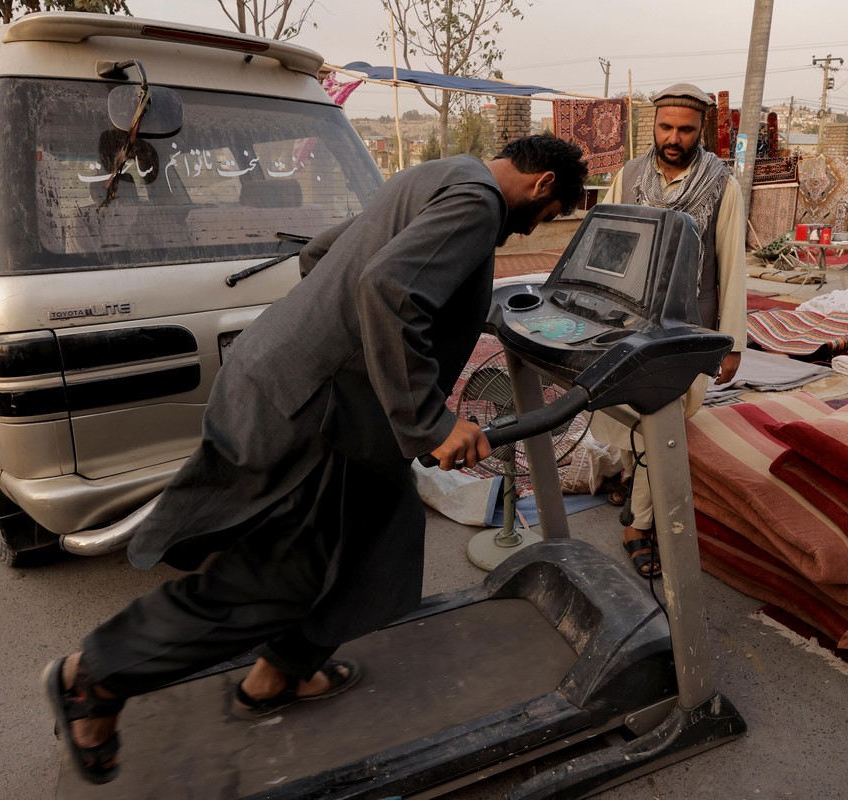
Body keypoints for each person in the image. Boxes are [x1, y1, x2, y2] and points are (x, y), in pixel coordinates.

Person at [43, 135, 588, 785]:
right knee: (278, 576)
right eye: (548, 217)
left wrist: (331, 327)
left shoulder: (438, 173)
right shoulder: (478, 204)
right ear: (544, 185)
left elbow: (324, 255)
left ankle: (282, 670)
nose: (534, 226)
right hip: (320, 410)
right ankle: (95, 676)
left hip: (303, 380)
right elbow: (389, 289)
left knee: (380, 535)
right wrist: (427, 420)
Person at [592, 82, 747, 579]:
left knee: (666, 418)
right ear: (653, 126)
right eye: (665, 127)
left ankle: (637, 524)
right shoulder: (630, 175)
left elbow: (732, 266)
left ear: (702, 129)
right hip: (629, 322)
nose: (673, 138)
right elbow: (605, 248)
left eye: (685, 129)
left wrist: (731, 342)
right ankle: (633, 483)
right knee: (624, 416)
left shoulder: (723, 183)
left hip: (687, 327)